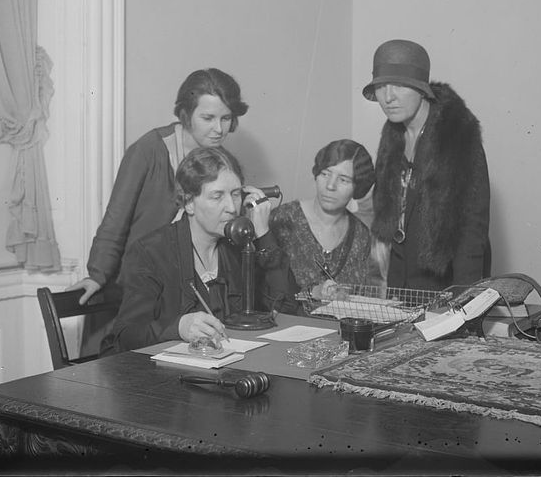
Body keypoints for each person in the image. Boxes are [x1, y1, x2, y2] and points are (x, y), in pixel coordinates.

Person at [66, 68, 249, 353]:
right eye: (208, 118)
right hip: (140, 284)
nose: (219, 129)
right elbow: (116, 218)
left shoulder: (220, 160)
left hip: (181, 292)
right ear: (186, 114)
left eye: (226, 119)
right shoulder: (148, 150)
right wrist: (97, 274)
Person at [100, 146, 298, 352]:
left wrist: (263, 234)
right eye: (217, 196)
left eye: (236, 194)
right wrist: (177, 328)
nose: (231, 207)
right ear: (188, 203)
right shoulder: (151, 252)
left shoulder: (239, 246)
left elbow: (286, 308)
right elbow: (125, 336)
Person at [361, 39, 490, 292]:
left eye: (399, 85)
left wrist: (464, 304)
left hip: (446, 284)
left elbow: (471, 232)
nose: (388, 97)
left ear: (422, 90)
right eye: (381, 86)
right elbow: (394, 222)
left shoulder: (457, 135)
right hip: (402, 286)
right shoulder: (392, 135)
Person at [268, 139, 376, 300]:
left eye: (343, 179)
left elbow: (361, 298)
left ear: (357, 187)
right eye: (325, 174)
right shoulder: (283, 219)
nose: (330, 186)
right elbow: (265, 290)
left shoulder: (361, 235)